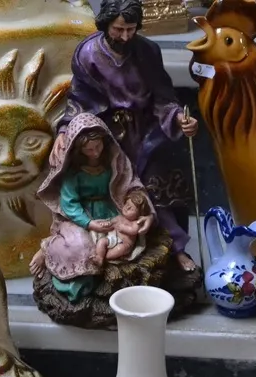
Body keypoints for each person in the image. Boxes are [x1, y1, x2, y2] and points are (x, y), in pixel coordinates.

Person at [51, 0, 200, 272]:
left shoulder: (148, 51)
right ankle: (113, 250)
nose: (125, 36)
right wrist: (64, 129)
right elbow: (80, 98)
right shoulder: (88, 54)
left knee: (155, 187)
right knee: (114, 188)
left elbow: (163, 96)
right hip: (107, 136)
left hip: (146, 132)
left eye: (131, 29)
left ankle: (176, 249)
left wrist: (179, 117)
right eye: (118, 29)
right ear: (106, 24)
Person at [30, 113, 154, 302]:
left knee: (127, 242)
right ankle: (48, 248)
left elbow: (132, 187)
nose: (95, 153)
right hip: (80, 216)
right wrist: (89, 223)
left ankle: (102, 265)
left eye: (98, 147)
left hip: (110, 212)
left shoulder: (114, 162)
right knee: (81, 246)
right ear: (79, 150)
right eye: (89, 149)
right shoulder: (73, 174)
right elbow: (69, 204)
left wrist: (148, 214)